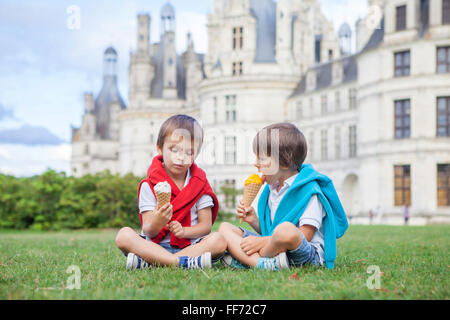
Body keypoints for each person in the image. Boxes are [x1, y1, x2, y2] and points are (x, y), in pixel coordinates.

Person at [218, 123, 348, 271]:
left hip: (306, 253)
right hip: (275, 247)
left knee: (286, 230)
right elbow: (271, 231)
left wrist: (262, 243)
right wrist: (254, 220)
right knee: (225, 228)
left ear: (284, 163)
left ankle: (248, 260)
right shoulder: (272, 189)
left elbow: (306, 234)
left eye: (261, 159)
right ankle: (263, 264)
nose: (255, 164)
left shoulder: (309, 191)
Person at [115, 114, 226, 270]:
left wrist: (184, 231)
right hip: (155, 246)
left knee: (219, 240)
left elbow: (206, 226)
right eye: (174, 150)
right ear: (159, 148)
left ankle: (154, 262)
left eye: (189, 152)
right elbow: (148, 230)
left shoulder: (199, 183)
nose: (181, 158)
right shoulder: (149, 185)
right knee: (124, 235)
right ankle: (182, 263)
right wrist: (158, 221)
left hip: (191, 246)